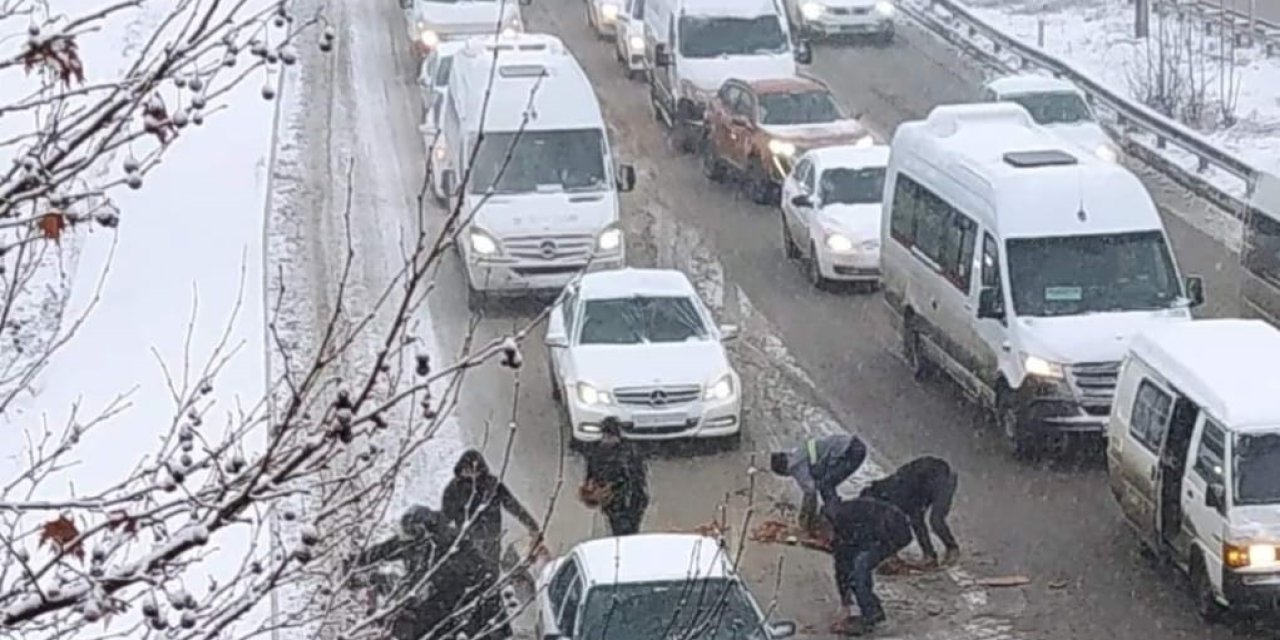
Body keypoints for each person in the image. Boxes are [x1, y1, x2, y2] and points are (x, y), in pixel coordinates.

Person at [349, 505, 511, 640]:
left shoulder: (451, 544)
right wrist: (358, 561)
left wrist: (426, 583)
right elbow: (390, 548)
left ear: (424, 530)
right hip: (440, 599)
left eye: (413, 534)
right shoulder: (414, 541)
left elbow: (438, 576)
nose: (410, 544)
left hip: (466, 600)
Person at [825, 496, 914, 636]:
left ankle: (871, 617)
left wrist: (846, 603)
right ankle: (873, 611)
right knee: (855, 569)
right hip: (883, 527)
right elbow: (841, 566)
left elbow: (846, 557)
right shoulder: (840, 524)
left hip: (893, 530)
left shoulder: (844, 522)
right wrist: (845, 601)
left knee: (860, 568)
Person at [442, 449, 543, 568]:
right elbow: (445, 518)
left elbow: (513, 505)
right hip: (467, 541)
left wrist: (532, 526)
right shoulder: (453, 489)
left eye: (473, 470)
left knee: (490, 572)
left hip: (491, 539)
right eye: (466, 470)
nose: (470, 473)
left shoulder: (492, 485)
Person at [859, 455, 960, 567]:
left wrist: (891, 555)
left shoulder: (897, 496)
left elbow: (908, 524)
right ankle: (930, 555)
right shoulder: (887, 491)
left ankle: (951, 548)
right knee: (917, 520)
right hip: (927, 482)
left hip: (943, 477)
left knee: (935, 520)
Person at [769, 434, 868, 534]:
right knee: (825, 484)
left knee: (826, 485)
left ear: (783, 471)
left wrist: (805, 520)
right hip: (852, 445)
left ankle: (837, 521)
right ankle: (834, 514)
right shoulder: (796, 452)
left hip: (851, 452)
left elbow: (810, 492)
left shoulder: (795, 466)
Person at [583, 417, 649, 536]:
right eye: (606, 435)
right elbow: (591, 474)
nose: (607, 439)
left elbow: (635, 478)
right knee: (618, 530)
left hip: (631, 501)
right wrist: (592, 488)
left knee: (628, 530)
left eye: (610, 436)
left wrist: (614, 487)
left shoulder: (628, 452)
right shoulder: (597, 452)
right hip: (613, 504)